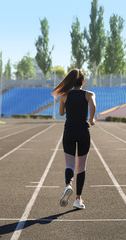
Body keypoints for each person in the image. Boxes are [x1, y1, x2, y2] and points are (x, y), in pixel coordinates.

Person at [51, 69, 96, 210]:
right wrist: (91, 119)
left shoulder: (64, 96)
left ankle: (68, 185)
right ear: (83, 81)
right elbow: (93, 106)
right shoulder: (89, 94)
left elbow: (61, 113)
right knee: (81, 167)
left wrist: (67, 104)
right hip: (83, 131)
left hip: (69, 131)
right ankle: (78, 199)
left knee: (69, 165)